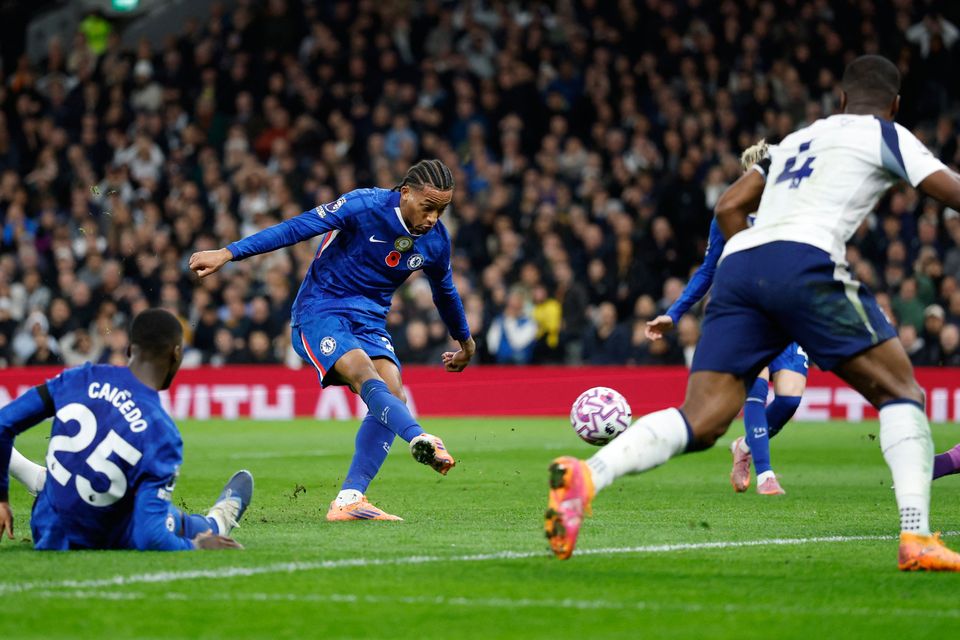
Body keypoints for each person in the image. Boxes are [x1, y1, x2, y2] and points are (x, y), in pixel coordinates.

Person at [544, 55, 960, 570]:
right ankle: (916, 537)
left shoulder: (798, 138)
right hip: (806, 260)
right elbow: (949, 192)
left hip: (739, 270)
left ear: (841, 101)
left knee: (702, 419)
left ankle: (588, 476)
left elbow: (725, 208)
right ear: (894, 105)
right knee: (902, 392)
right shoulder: (888, 135)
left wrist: (759, 265)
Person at [189, 159, 475, 521]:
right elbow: (297, 228)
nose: (434, 218)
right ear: (406, 193)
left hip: (369, 320)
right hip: (320, 310)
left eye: (442, 210)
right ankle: (419, 437)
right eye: (428, 206)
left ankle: (349, 499)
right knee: (361, 371)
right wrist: (228, 253)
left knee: (394, 392)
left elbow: (445, 293)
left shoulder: (435, 242)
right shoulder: (364, 205)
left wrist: (466, 343)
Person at [0, 309, 252, 550]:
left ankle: (44, 480)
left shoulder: (78, 377)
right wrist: (194, 547)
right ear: (176, 354)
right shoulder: (162, 433)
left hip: (46, 529)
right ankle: (216, 523)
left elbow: (3, 423)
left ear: (130, 349)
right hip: (101, 536)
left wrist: (1, 498)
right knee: (160, 516)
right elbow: (150, 536)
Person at [646, 140, 807, 495]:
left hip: (788, 314)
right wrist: (674, 314)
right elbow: (707, 270)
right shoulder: (730, 214)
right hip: (750, 314)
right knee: (757, 388)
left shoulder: (793, 209)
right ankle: (766, 475)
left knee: (790, 400)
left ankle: (745, 447)